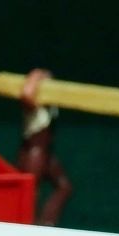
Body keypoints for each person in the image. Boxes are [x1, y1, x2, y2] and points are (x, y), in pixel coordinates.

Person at [16, 68, 73, 226]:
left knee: (64, 186)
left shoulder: (49, 104)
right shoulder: (34, 107)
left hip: (46, 153)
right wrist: (36, 75)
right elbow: (27, 94)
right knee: (32, 192)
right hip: (34, 153)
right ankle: (30, 224)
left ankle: (47, 222)